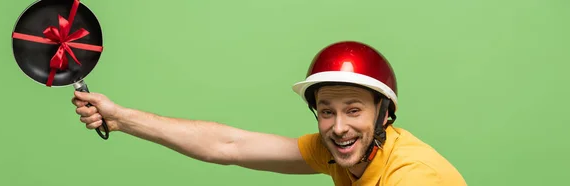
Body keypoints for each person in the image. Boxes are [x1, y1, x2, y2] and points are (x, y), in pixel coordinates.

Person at [71, 41, 467, 185]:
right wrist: (121, 119)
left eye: (353, 110)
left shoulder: (414, 177)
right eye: (326, 111)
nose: (339, 127)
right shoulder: (339, 155)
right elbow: (230, 146)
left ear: (384, 116)